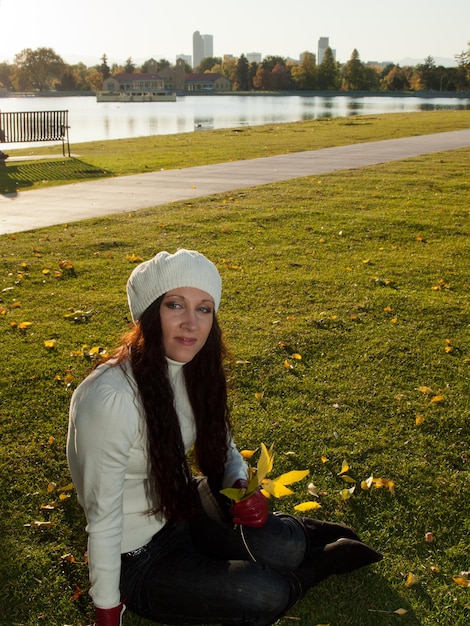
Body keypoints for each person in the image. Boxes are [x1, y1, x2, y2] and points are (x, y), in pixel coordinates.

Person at [67, 249, 382, 626]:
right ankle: (318, 564)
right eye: (175, 305)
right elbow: (103, 520)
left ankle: (301, 537)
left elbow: (224, 447)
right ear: (149, 314)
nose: (190, 323)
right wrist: (106, 610)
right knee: (261, 593)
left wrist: (238, 485)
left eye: (204, 309)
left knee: (283, 546)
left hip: (184, 505)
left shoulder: (194, 368)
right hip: (137, 556)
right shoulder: (111, 398)